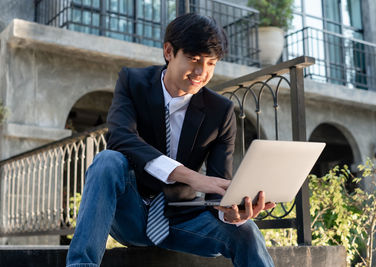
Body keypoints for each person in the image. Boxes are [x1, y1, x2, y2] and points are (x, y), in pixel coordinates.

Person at [66, 13, 275, 267]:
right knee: (108, 160)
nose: (202, 72)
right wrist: (189, 175)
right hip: (130, 215)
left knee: (247, 231)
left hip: (183, 222)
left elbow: (216, 187)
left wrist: (232, 213)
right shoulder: (133, 82)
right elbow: (120, 138)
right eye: (194, 60)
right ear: (168, 51)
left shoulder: (221, 112)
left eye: (211, 63)